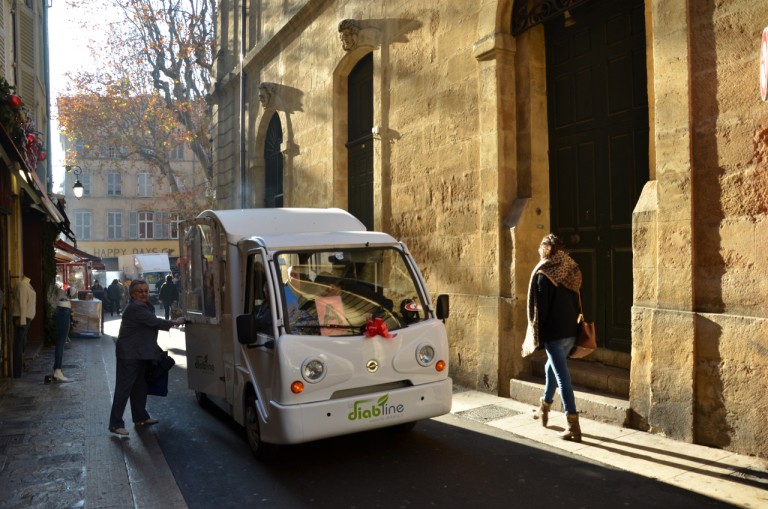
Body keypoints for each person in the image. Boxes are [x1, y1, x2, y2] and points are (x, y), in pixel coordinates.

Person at [523, 233, 583, 442]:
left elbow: (542, 311)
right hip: (571, 332)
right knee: (551, 367)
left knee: (562, 377)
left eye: (541, 247)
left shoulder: (543, 274)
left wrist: (538, 337)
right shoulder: (571, 268)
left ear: (546, 250)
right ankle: (544, 407)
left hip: (554, 334)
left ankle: (573, 425)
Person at [108, 280, 185, 436]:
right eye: (140, 292)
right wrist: (174, 322)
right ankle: (115, 424)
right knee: (124, 388)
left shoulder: (143, 306)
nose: (144, 294)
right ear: (132, 294)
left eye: (146, 291)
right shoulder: (136, 308)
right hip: (129, 355)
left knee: (139, 387)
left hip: (141, 353)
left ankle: (140, 417)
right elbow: (154, 322)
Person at [52, 286, 76, 382]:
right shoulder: (65, 302)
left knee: (60, 342)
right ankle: (57, 370)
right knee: (61, 343)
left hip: (62, 311)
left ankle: (57, 369)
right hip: (64, 311)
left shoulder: (62, 296)